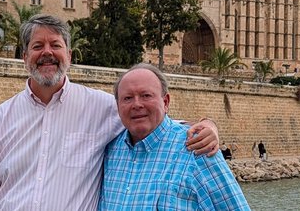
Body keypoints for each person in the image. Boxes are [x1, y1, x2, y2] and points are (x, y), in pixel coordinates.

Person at [0, 14, 220, 211]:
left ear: (69, 55)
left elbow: (150, 118)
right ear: (24, 57)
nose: (47, 52)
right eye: (37, 46)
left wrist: (207, 126)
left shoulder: (101, 108)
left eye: (55, 45)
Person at [98, 64, 249, 210]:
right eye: (128, 98)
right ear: (117, 106)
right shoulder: (109, 150)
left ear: (165, 102)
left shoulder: (197, 149)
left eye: (146, 96)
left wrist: (209, 123)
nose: (137, 104)